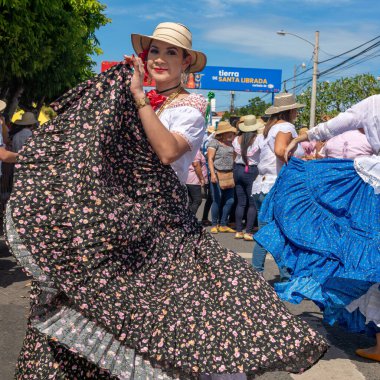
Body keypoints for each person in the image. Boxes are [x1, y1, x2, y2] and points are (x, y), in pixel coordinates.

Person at [9, 22, 327, 379]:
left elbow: (166, 151)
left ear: (186, 62)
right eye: (155, 51)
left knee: (178, 320)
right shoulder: (128, 99)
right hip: (123, 220)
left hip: (163, 226)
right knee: (92, 306)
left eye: (171, 52)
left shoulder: (188, 107)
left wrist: (139, 98)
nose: (160, 59)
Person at [255, 94, 380, 362]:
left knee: (370, 257)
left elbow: (337, 123)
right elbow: (337, 125)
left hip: (366, 186)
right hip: (363, 184)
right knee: (370, 257)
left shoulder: (373, 104)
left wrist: (303, 137)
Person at [251, 93, 304, 282]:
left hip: (261, 184)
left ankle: (257, 273)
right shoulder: (286, 127)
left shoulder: (269, 129)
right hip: (275, 185)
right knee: (282, 232)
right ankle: (286, 275)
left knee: (266, 232)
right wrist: (299, 164)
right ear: (290, 110)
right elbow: (281, 150)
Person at [232, 115, 262, 241]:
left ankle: (239, 230)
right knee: (252, 203)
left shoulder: (237, 139)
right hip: (251, 170)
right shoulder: (258, 139)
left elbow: (234, 156)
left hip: (238, 169)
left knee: (241, 202)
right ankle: (248, 231)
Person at [207, 121, 237, 234]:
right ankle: (215, 224)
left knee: (230, 200)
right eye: (228, 132)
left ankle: (223, 223)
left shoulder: (231, 145)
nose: (230, 134)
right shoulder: (214, 143)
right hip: (217, 173)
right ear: (222, 133)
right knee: (217, 200)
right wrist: (213, 174)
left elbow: (234, 158)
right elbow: (210, 159)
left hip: (229, 174)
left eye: (231, 132)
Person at [186, 149, 208, 216]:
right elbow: (196, 165)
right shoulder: (195, 151)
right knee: (197, 200)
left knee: (191, 200)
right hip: (194, 179)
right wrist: (201, 179)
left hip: (190, 178)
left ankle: (189, 219)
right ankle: (190, 218)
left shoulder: (192, 150)